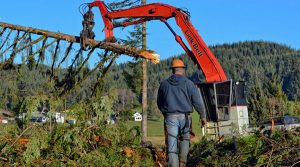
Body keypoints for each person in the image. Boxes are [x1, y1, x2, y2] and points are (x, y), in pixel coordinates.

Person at [157, 59, 207, 167]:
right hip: (185, 117)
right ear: (183, 70)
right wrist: (203, 116)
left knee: (172, 143)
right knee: (185, 139)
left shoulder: (164, 84)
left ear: (173, 70)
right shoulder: (189, 83)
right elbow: (197, 102)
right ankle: (182, 163)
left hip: (170, 117)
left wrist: (165, 113)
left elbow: (159, 102)